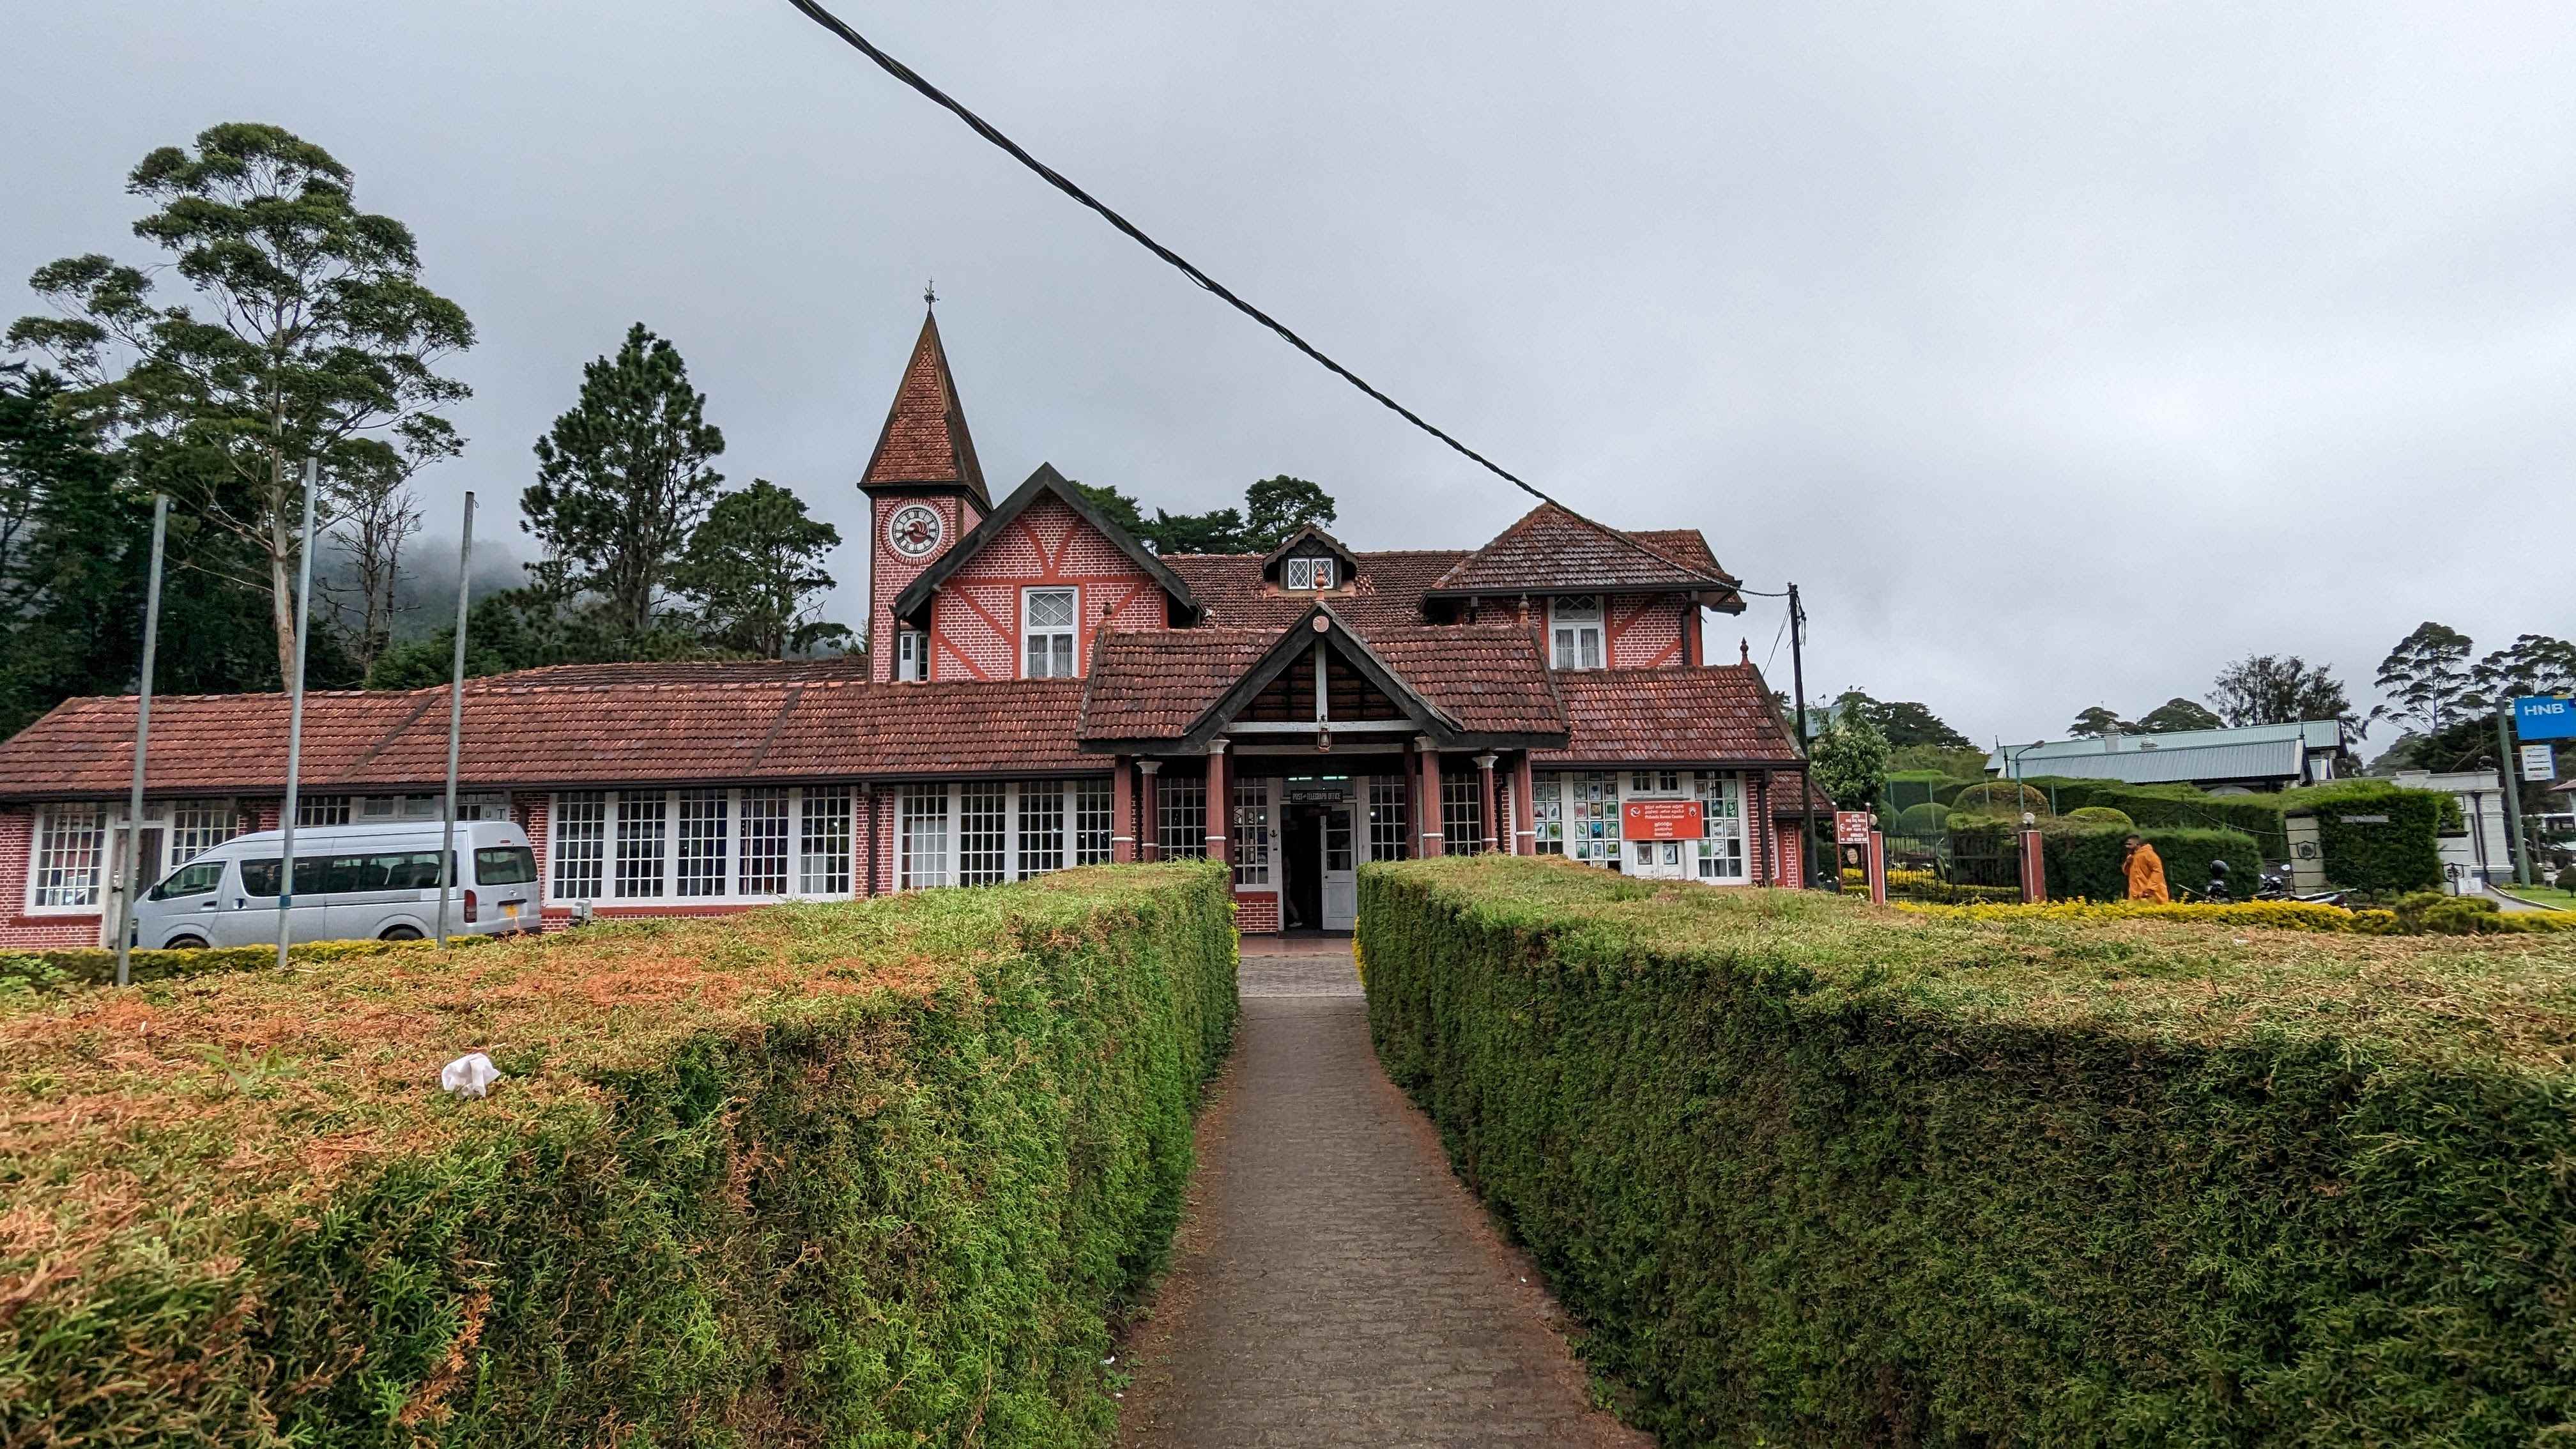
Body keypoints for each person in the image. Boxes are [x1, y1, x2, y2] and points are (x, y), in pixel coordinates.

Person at [2124, 834, 2169, 903]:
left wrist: (2149, 889)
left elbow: (2158, 871)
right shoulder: (2133, 856)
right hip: (2136, 896)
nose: (2127, 846)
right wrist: (2128, 863)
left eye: (2129, 843)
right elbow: (2127, 873)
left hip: (2151, 896)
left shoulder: (2149, 854)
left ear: (2137, 843)